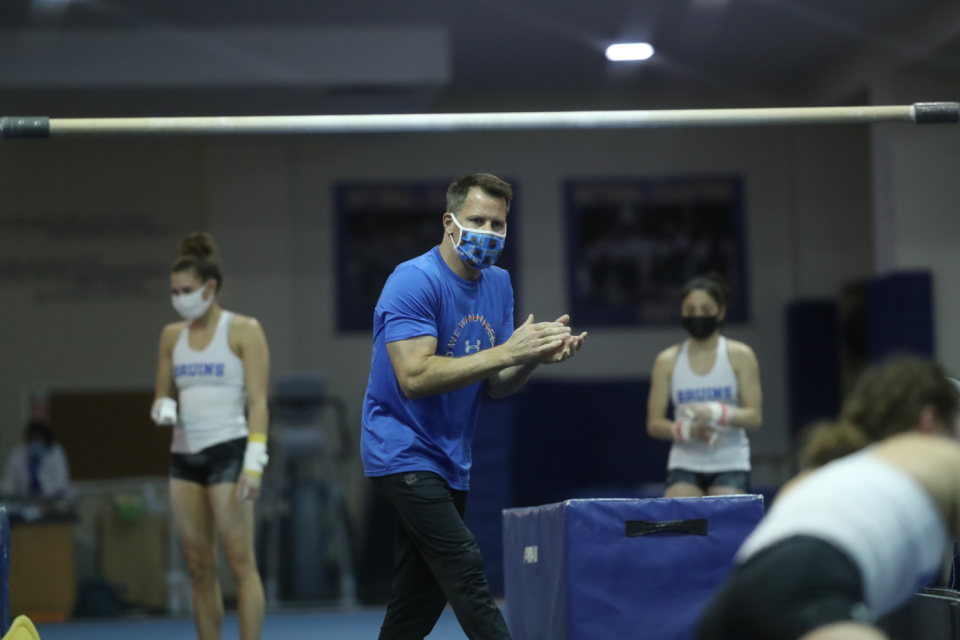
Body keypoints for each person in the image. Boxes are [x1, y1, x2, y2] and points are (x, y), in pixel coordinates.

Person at [361, 173, 587, 640]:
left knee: (418, 600)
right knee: (462, 562)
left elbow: (497, 385)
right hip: (399, 448)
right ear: (449, 222)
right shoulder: (413, 281)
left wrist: (531, 359)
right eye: (477, 220)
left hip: (451, 457)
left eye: (498, 224)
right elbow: (415, 376)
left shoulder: (499, 284)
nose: (489, 232)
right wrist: (508, 350)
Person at [696, 357, 960, 640]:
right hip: (810, 588)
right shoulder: (940, 458)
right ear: (929, 420)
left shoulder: (826, 471)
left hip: (731, 603)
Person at [152, 232, 270, 640]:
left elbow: (258, 402)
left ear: (210, 287)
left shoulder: (243, 331)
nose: (180, 298)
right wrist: (163, 408)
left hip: (229, 452)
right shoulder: (172, 337)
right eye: (174, 291)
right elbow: (163, 394)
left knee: (240, 564)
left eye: (186, 290)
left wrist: (254, 463)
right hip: (184, 457)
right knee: (199, 569)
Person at [646, 274, 762, 497]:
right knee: (680, 518)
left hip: (730, 460)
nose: (698, 315)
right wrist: (688, 430)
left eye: (705, 309)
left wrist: (717, 412)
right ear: (681, 312)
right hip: (685, 462)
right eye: (690, 310)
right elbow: (654, 424)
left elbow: (754, 417)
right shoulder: (667, 361)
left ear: (720, 312)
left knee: (724, 521)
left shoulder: (740, 356)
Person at [0, 421, 72, 500]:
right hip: (25, 501)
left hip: (52, 499)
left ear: (45, 440)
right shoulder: (18, 454)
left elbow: (61, 482)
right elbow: (9, 483)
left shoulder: (55, 453)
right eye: (31, 439)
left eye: (38, 438)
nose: (34, 442)